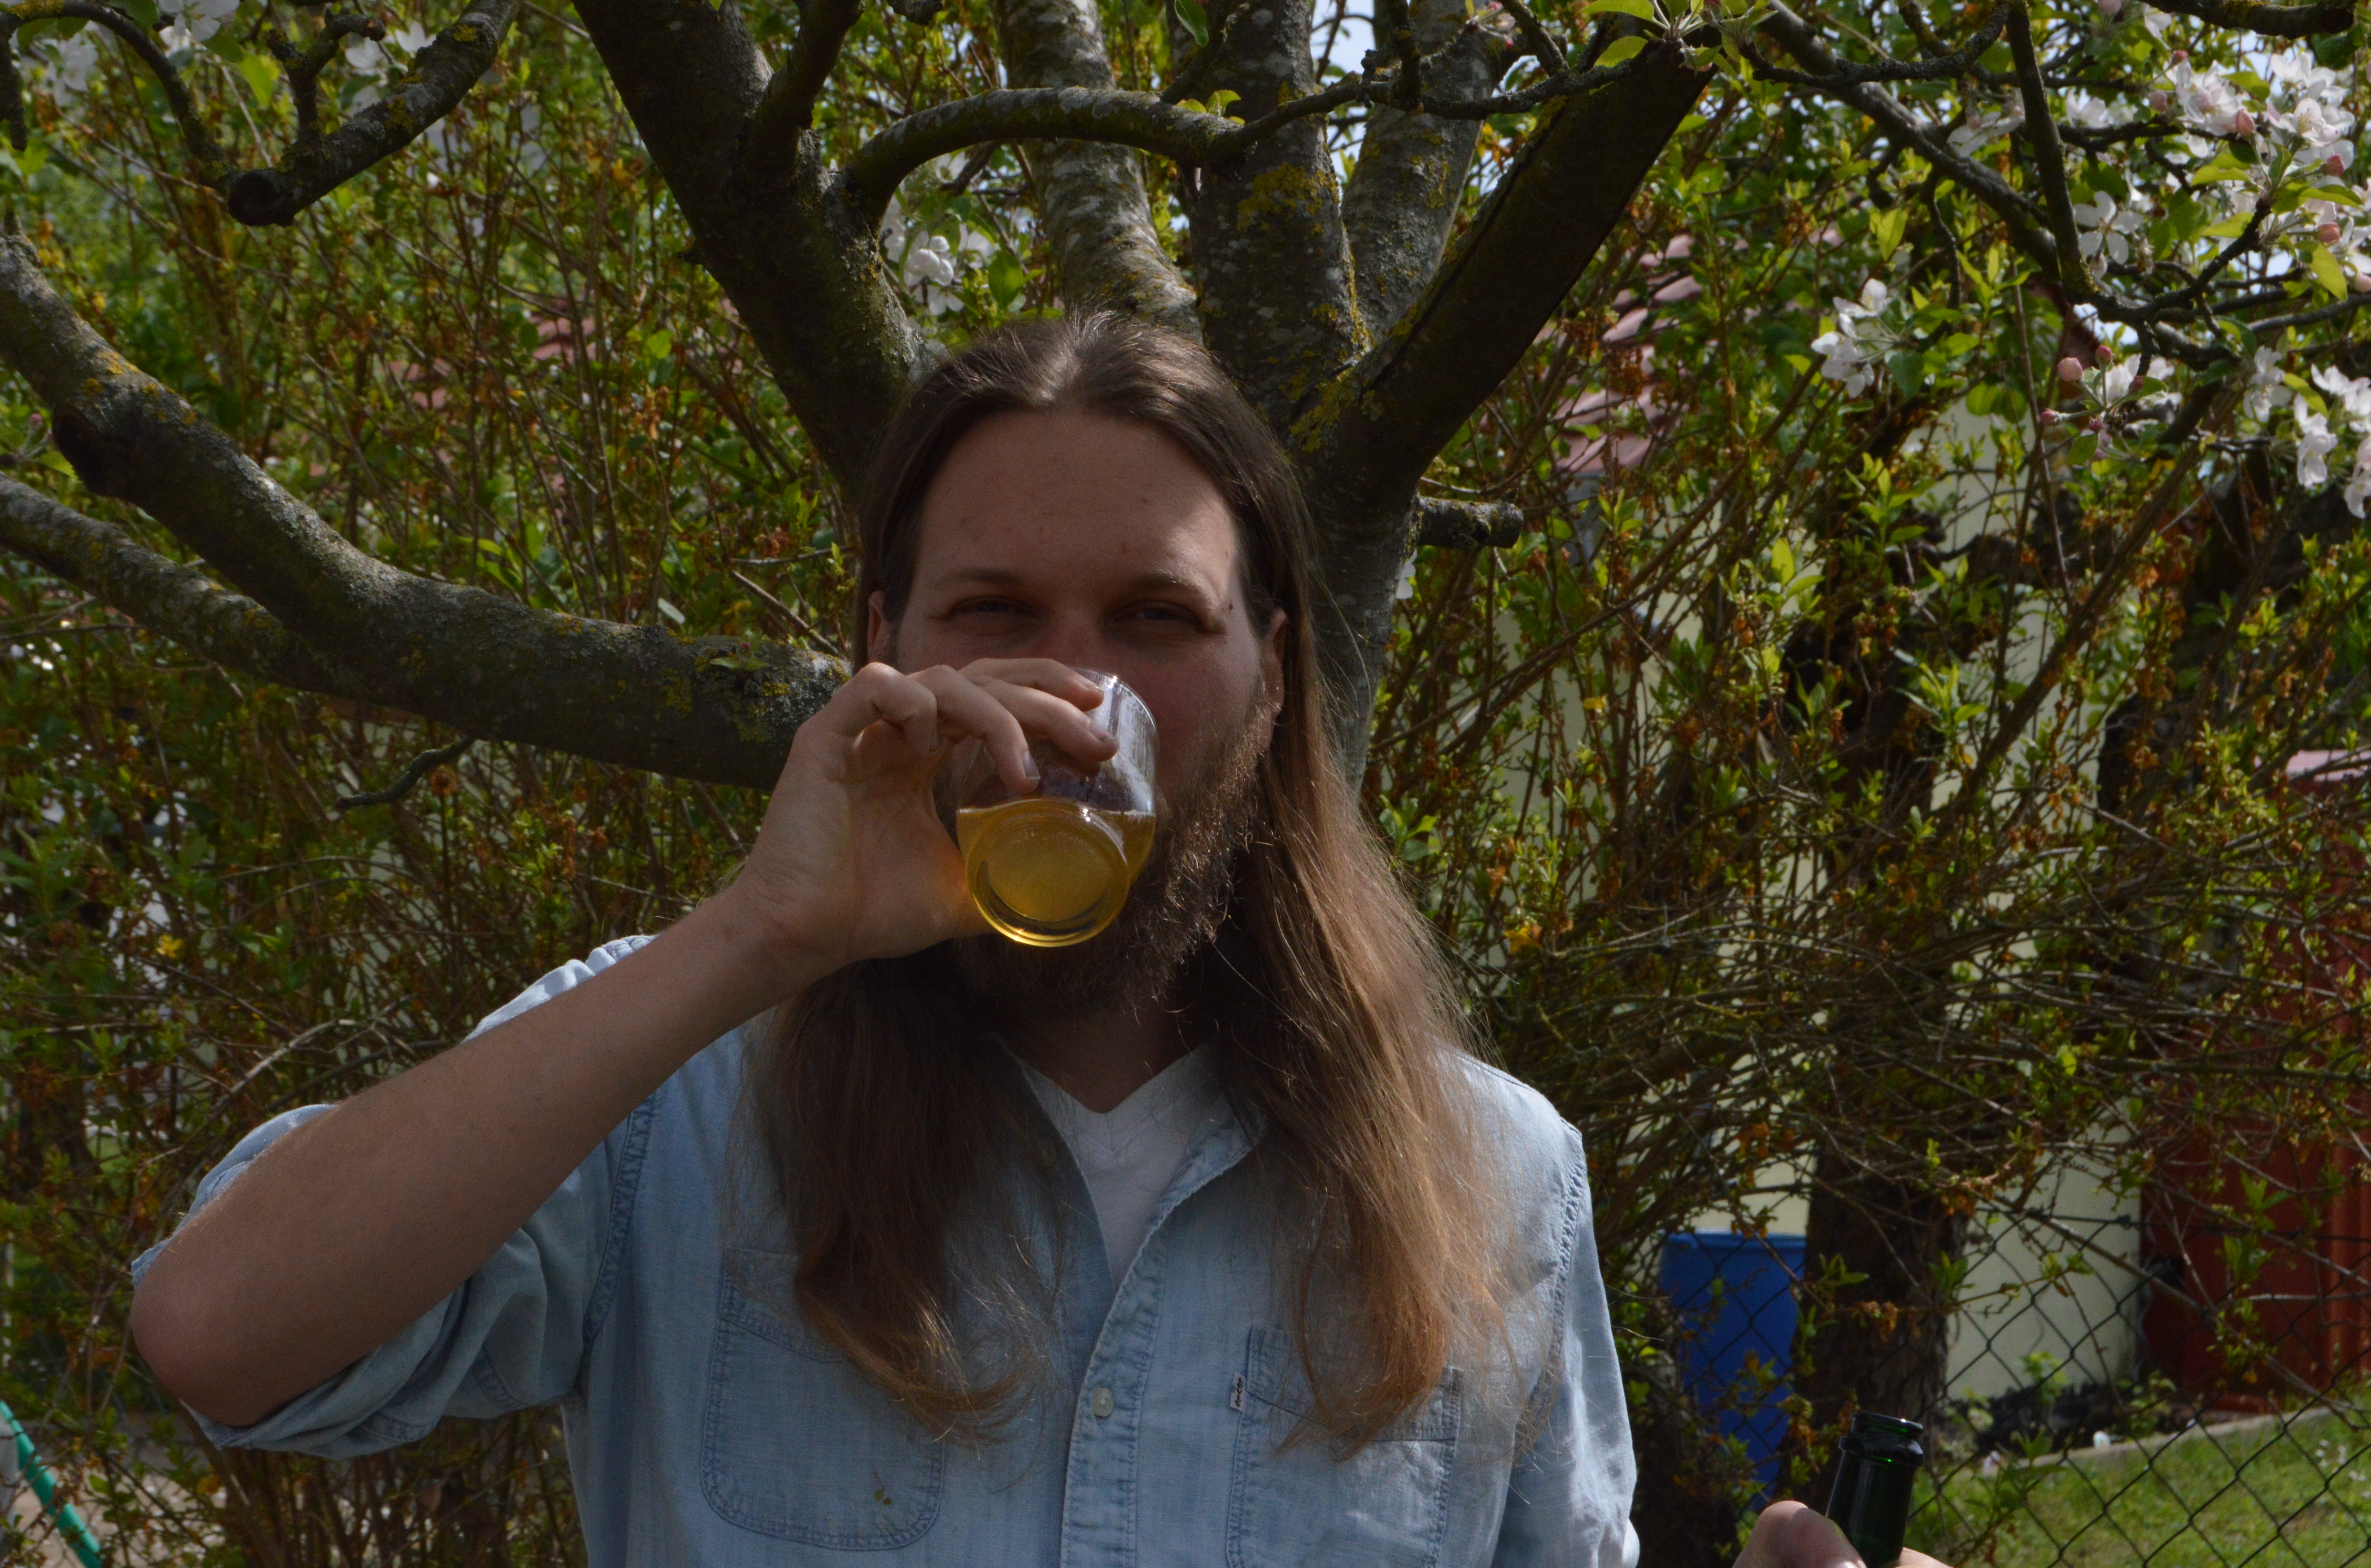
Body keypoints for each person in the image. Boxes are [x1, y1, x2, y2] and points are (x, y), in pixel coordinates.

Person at [129, 314, 1943, 1568]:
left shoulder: (1487, 1172)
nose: (1077, 688)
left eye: (1157, 614)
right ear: (884, 642)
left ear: (1274, 667)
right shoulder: (680, 1077)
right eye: (993, 606)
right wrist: (763, 930)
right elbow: (222, 1332)